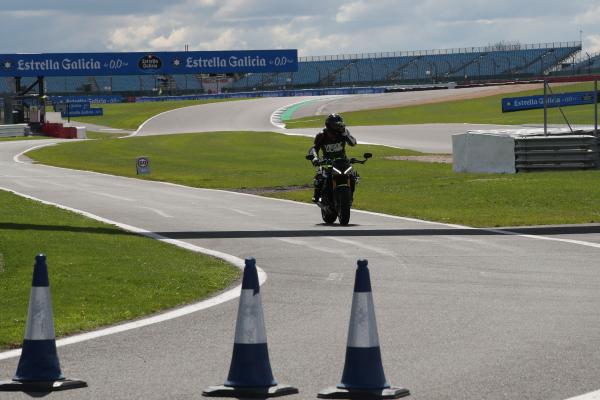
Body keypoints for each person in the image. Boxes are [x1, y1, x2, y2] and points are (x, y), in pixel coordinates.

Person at [307, 113, 357, 202]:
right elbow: (314, 148)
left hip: (342, 161)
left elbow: (353, 143)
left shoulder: (343, 132)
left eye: (340, 124)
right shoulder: (321, 135)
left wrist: (345, 134)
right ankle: (317, 196)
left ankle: (349, 197)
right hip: (327, 162)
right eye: (336, 125)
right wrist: (315, 158)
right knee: (320, 177)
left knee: (353, 176)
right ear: (329, 126)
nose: (339, 127)